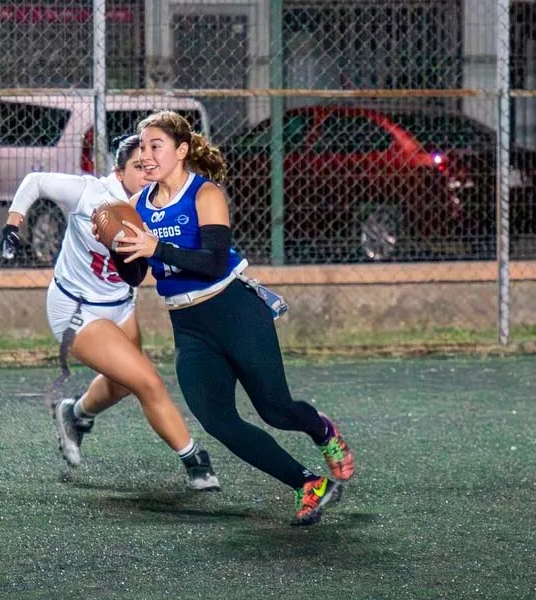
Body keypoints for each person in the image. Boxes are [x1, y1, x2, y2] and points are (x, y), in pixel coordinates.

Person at [110, 111, 355, 526]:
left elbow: (212, 261)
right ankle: (307, 484)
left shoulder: (205, 193)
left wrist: (157, 249)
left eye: (156, 146)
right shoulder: (136, 207)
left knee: (275, 410)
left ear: (181, 150)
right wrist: (119, 250)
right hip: (188, 326)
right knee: (217, 420)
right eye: (142, 148)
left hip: (233, 309)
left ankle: (322, 430)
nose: (146, 155)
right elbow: (136, 274)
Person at [0, 134, 220, 491]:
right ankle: (194, 460)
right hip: (77, 309)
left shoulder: (157, 203)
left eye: (151, 165)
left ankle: (75, 413)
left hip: (120, 304)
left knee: (121, 385)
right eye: (138, 166)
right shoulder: (90, 192)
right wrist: (13, 222)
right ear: (118, 170)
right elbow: (35, 181)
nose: (148, 172)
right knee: (147, 381)